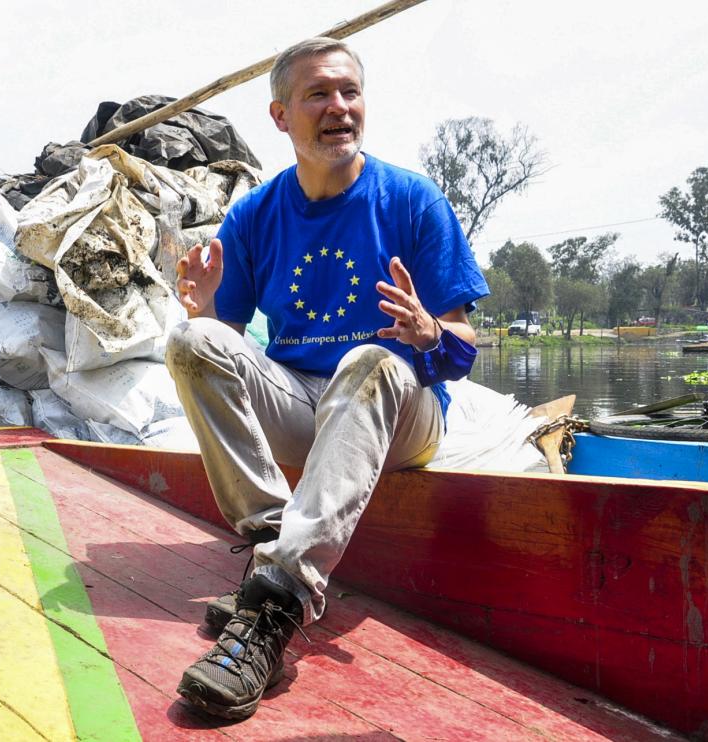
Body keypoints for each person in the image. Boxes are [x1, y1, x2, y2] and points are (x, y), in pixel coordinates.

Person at [165, 37, 489, 720]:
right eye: (318, 93)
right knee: (192, 341)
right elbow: (225, 340)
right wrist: (204, 309)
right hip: (306, 410)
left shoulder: (409, 200)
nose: (338, 107)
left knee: (366, 359)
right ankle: (271, 549)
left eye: (349, 92)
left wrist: (430, 336)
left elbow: (463, 350)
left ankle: (275, 605)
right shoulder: (256, 213)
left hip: (399, 409)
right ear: (281, 116)